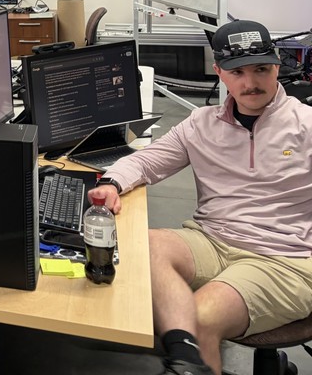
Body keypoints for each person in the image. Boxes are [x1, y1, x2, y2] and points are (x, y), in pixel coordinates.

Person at [92, 20, 312, 375]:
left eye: (261, 70)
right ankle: (187, 361)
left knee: (203, 315)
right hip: (211, 241)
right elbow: (148, 160)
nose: (251, 83)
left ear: (277, 66)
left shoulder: (306, 125)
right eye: (237, 72)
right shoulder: (201, 123)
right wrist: (113, 183)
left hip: (281, 258)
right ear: (219, 73)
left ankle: (187, 361)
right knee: (144, 244)